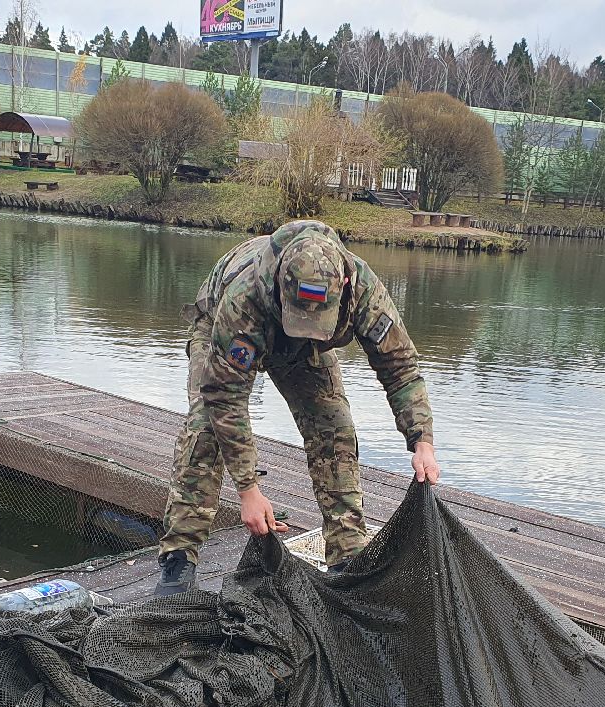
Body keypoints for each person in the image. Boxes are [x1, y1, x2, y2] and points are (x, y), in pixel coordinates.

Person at [155, 220, 440, 596]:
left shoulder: (365, 293)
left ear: (344, 291)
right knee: (206, 428)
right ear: (280, 288)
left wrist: (422, 440)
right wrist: (248, 490)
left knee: (333, 427)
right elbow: (226, 399)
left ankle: (346, 552)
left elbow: (400, 368)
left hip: (304, 351)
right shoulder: (245, 301)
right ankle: (179, 558)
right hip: (220, 330)